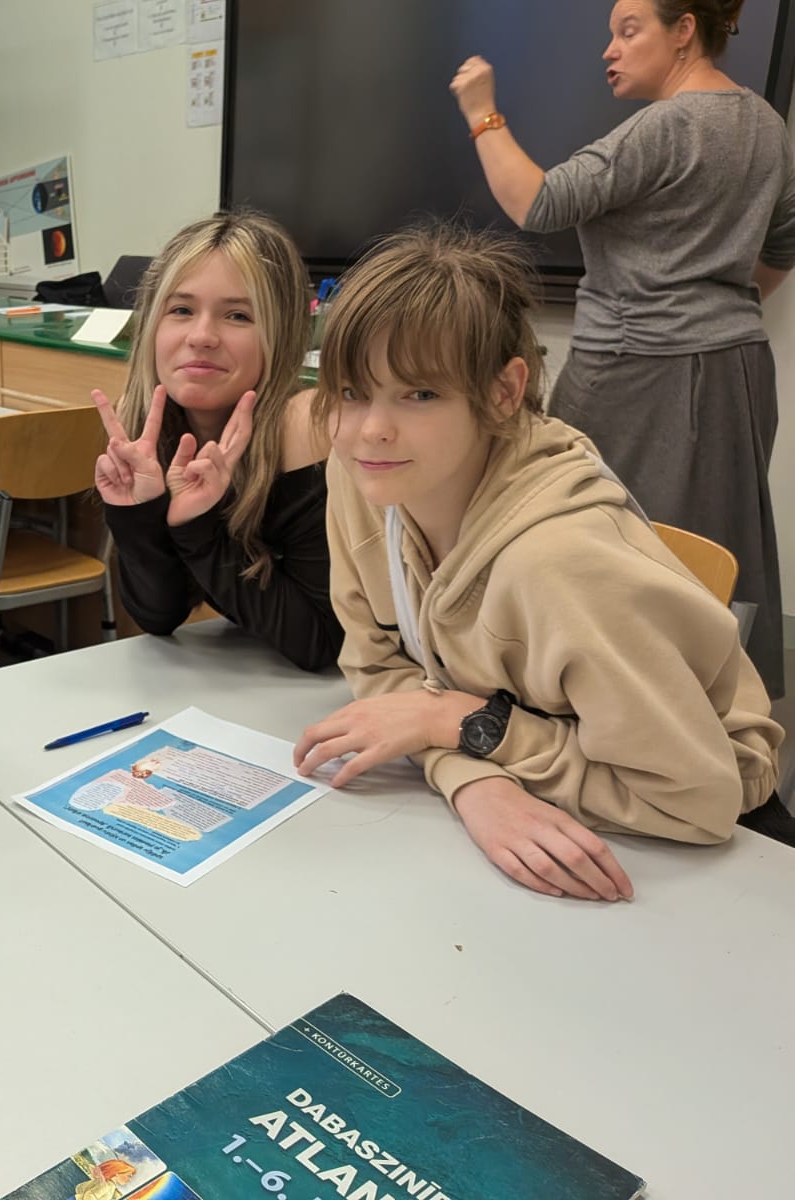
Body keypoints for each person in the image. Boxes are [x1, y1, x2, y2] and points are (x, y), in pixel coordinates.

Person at [293, 224, 788, 904]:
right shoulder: (364, 477)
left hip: (693, 827)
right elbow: (376, 667)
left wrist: (461, 725)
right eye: (352, 392)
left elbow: (694, 800)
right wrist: (472, 777)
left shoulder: (559, 563)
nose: (370, 430)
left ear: (504, 392)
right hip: (533, 778)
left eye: (420, 394)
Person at [449, 0, 795, 698]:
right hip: (737, 366)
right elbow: (782, 248)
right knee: (714, 551)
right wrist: (713, 304)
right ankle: (723, 722)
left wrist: (482, 112)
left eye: (629, 30)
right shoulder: (767, 124)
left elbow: (539, 203)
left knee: (593, 537)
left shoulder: (664, 127)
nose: (609, 49)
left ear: (685, 30)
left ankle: (610, 713)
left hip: (638, 371)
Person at [90, 211, 342, 671]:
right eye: (181, 310)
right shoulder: (145, 419)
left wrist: (198, 528)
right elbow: (159, 615)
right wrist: (136, 515)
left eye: (238, 315)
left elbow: (321, 643)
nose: (202, 336)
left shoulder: (302, 424)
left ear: (281, 333)